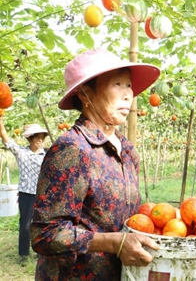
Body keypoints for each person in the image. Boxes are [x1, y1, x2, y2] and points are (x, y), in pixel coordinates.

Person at [30, 49, 161, 280]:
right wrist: (113, 243)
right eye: (117, 84)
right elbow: (45, 235)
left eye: (129, 85)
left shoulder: (128, 150)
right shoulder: (73, 149)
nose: (128, 94)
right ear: (84, 93)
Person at [0, 120, 48, 266]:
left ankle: (41, 252)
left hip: (42, 194)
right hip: (26, 195)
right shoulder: (21, 153)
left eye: (42, 137)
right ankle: (23, 254)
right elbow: (4, 136)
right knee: (25, 225)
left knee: (42, 224)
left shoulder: (46, 155)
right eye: (37, 137)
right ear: (30, 138)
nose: (40, 140)